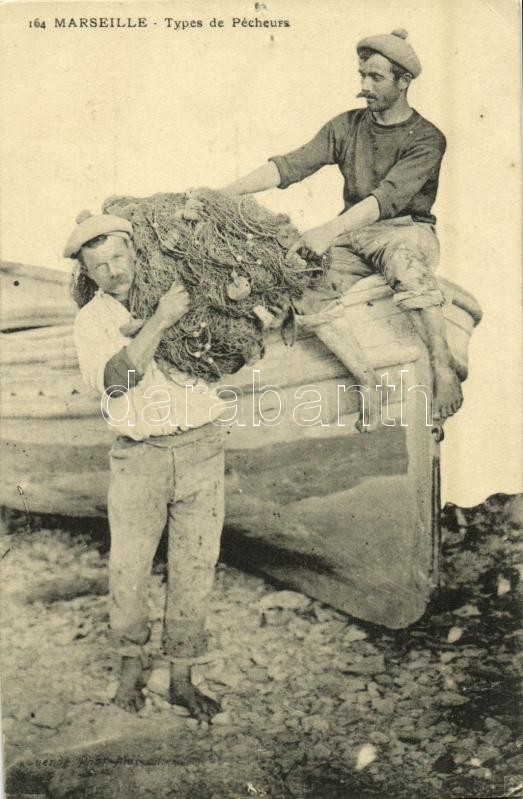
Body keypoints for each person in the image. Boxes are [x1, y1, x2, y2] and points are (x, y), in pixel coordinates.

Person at [222, 28, 462, 424]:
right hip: (353, 235)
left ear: (404, 82)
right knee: (302, 280)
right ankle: (368, 381)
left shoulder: (428, 138)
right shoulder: (346, 125)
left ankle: (442, 366)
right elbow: (289, 166)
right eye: (362, 76)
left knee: (404, 261)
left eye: (376, 78)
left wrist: (329, 230)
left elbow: (386, 199)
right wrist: (225, 193)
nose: (364, 87)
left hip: (405, 229)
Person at [65, 211, 226, 721]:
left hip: (203, 449)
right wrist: (159, 321)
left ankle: (182, 678)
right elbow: (116, 381)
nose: (114, 271)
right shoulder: (92, 321)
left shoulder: (179, 289)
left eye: (119, 256)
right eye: (100, 266)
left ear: (134, 251)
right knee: (130, 569)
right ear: (87, 275)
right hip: (141, 459)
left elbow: (227, 347)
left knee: (195, 567)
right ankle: (130, 675)